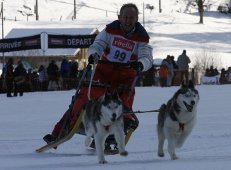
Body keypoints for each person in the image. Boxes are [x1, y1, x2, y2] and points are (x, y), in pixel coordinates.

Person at [43, 3, 153, 151]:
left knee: (123, 104)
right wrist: (93, 55)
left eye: (131, 18)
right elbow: (97, 45)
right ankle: (60, 132)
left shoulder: (141, 38)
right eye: (125, 17)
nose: (128, 20)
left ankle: (112, 136)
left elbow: (147, 57)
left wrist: (141, 64)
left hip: (125, 76)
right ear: (119, 17)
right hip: (104, 71)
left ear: (136, 19)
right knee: (84, 98)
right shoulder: (109, 31)